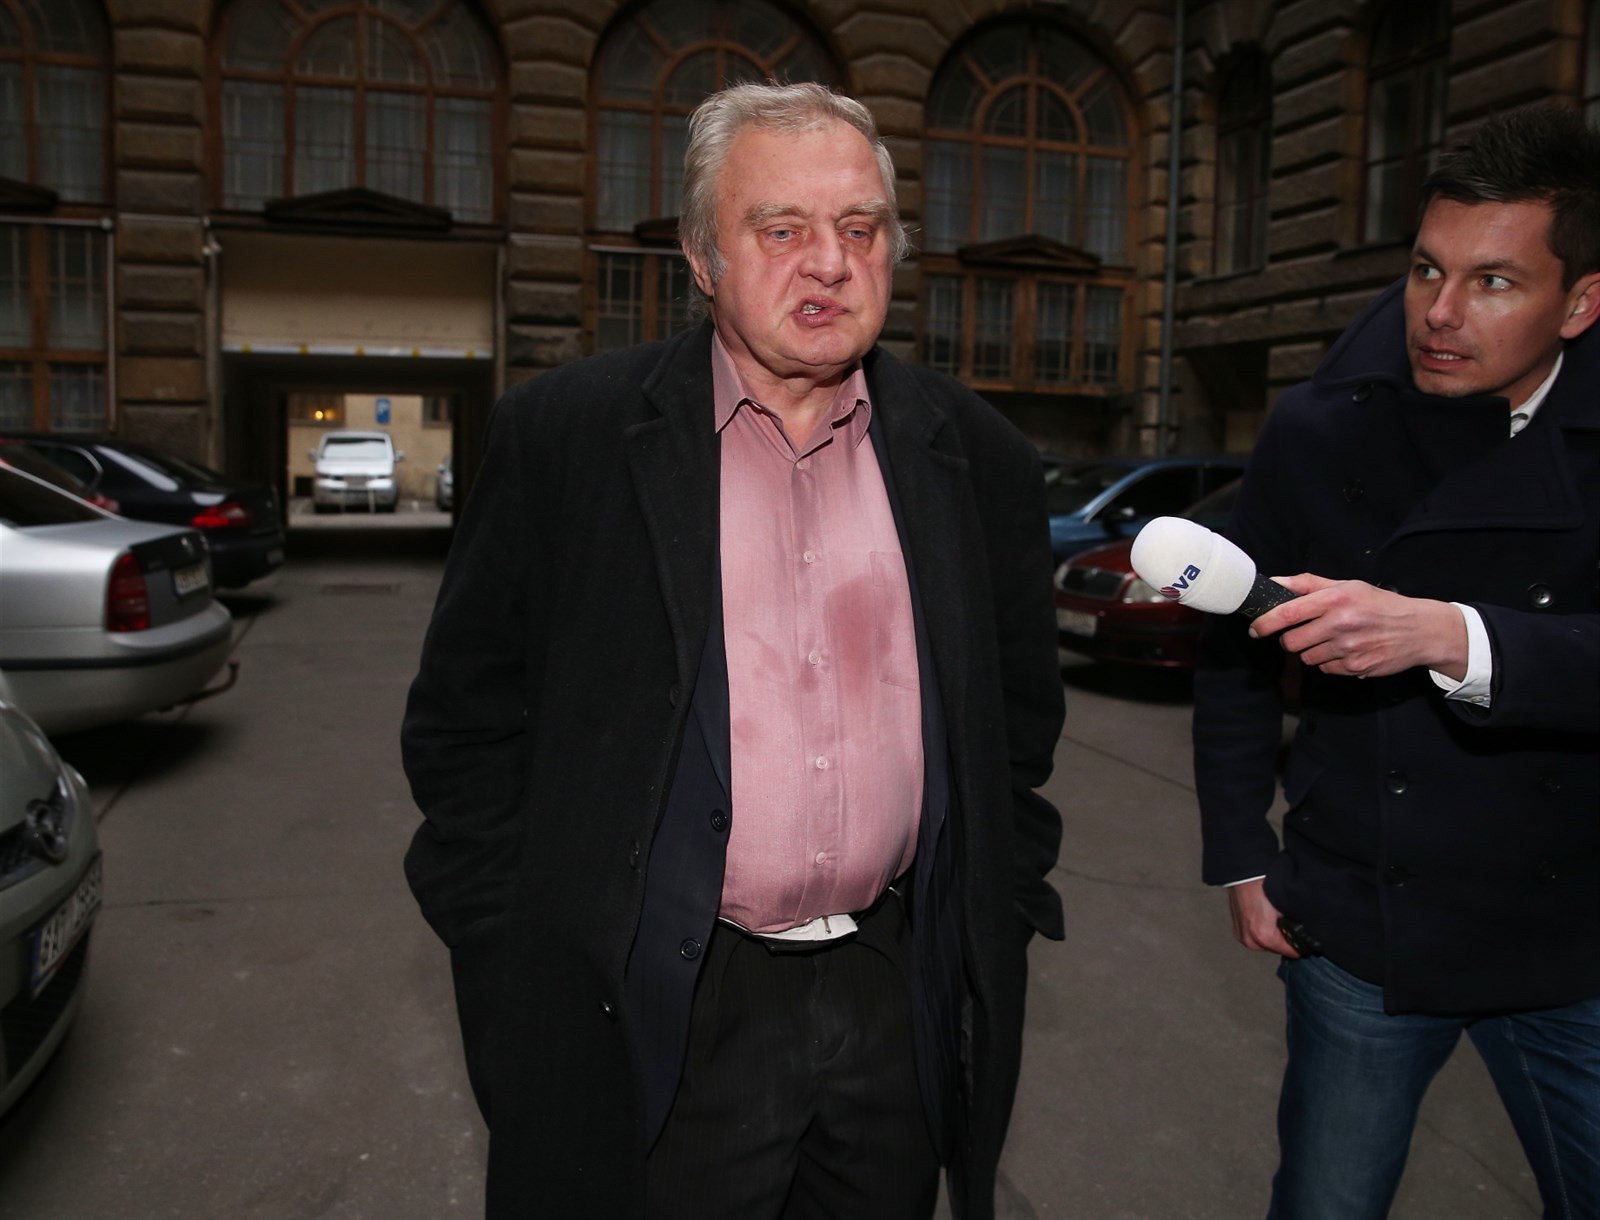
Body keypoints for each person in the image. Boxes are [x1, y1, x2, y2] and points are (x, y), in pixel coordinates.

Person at [401, 81, 1065, 1220]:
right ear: (701, 258)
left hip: (893, 997)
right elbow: (464, 731)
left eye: (861, 229)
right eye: (782, 230)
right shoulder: (569, 438)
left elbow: (1017, 734)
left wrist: (984, 925)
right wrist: (518, 961)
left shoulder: (976, 456)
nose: (831, 263)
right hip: (661, 1001)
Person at [1193, 105, 1600, 1220]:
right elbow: (1233, 651)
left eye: (1494, 282)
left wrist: (1447, 635)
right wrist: (1239, 853)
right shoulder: (1321, 426)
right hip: (1362, 926)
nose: (1440, 313)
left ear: (1580, 302)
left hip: (1572, 937)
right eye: (1426, 269)